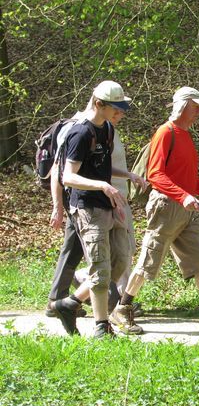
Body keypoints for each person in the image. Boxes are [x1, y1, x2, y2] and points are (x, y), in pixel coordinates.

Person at [110, 87, 199, 335]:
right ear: (182, 106)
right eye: (195, 107)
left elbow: (190, 179)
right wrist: (182, 196)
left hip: (186, 208)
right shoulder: (166, 132)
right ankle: (121, 309)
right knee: (149, 261)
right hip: (166, 206)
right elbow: (155, 174)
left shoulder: (185, 135)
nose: (198, 112)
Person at [52, 80, 146, 338]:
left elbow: (101, 167)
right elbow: (68, 176)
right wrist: (103, 186)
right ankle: (101, 327)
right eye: (115, 109)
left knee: (120, 261)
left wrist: (127, 175)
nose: (120, 114)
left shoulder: (107, 129)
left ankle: (69, 304)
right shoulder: (80, 133)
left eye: (121, 109)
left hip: (108, 205)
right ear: (98, 104)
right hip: (87, 207)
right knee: (100, 268)